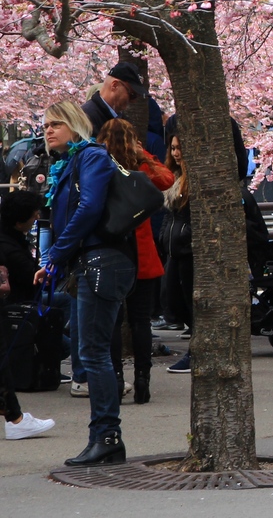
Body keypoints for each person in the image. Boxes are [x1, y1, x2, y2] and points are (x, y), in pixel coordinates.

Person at [35, 102, 131, 466]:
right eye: (45, 124)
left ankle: (106, 436)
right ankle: (104, 437)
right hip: (90, 261)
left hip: (102, 261)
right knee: (90, 349)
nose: (49, 130)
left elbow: (89, 207)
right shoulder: (71, 162)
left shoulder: (90, 156)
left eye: (56, 123)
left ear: (76, 125)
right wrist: (56, 261)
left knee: (93, 351)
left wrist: (56, 255)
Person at [92, 119, 173, 404]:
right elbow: (167, 180)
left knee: (113, 321)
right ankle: (143, 379)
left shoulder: (100, 165)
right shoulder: (140, 168)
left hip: (112, 250)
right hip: (143, 252)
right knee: (141, 322)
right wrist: (145, 156)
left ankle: (115, 378)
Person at [1, 190, 56, 440]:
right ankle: (15, 418)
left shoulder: (12, 240)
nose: (37, 218)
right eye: (33, 216)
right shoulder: (10, 246)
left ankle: (15, 417)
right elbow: (28, 278)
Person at [160, 135, 195, 373]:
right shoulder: (173, 177)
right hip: (173, 247)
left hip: (186, 247)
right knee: (171, 298)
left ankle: (196, 352)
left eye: (179, 148)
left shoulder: (193, 180)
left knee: (188, 302)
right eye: (173, 148)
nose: (175, 153)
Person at [80, 63, 145, 138]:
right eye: (132, 94)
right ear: (114, 85)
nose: (134, 101)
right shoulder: (86, 117)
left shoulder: (121, 118)